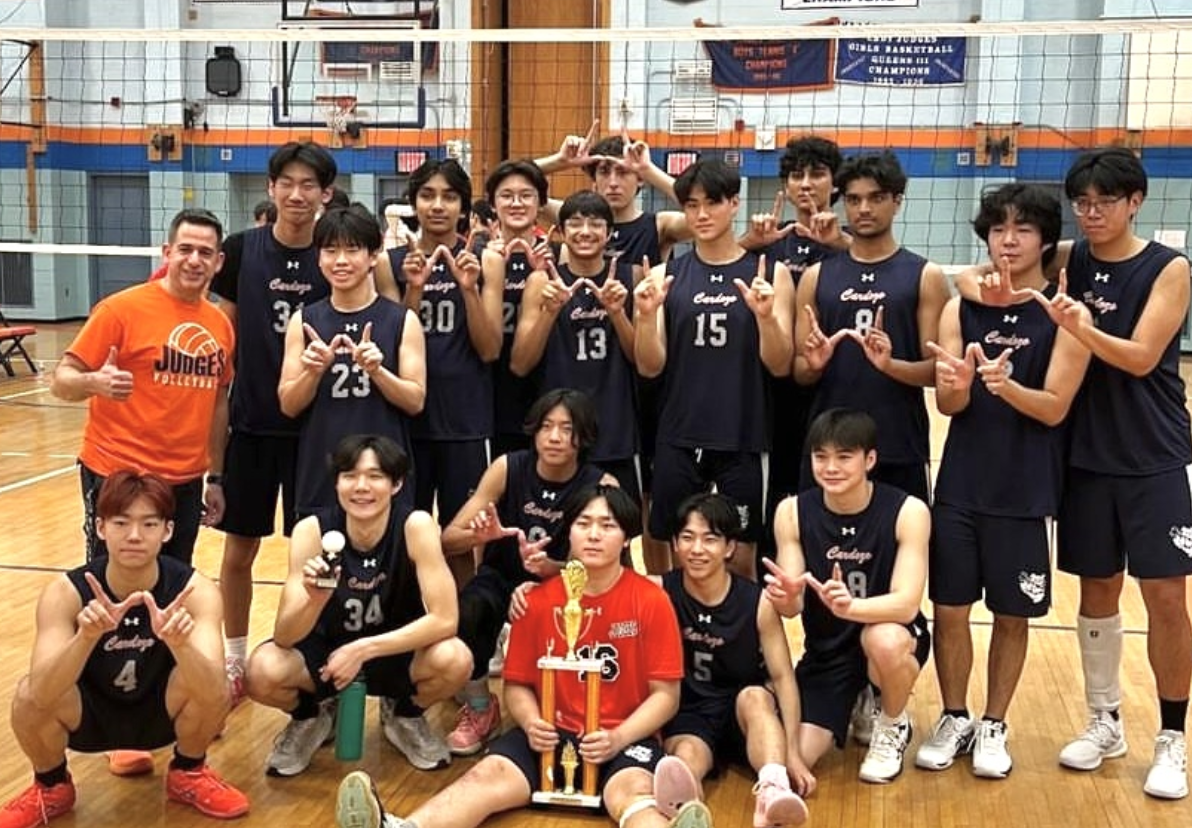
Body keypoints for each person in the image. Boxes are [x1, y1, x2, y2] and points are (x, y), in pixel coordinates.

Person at [334, 484, 715, 828]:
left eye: (608, 525)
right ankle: (401, 827)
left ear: (626, 537)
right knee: (484, 777)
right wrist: (532, 723)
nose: (594, 534)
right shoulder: (536, 600)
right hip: (547, 735)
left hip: (620, 736)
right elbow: (517, 683)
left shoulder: (651, 601)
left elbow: (666, 696)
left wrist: (617, 737)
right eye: (584, 523)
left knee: (634, 792)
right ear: (569, 531)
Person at [1019, 148, 1189, 799]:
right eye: (1083, 203)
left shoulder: (1170, 269)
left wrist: (1081, 329)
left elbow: (1143, 357)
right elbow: (1016, 259)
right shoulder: (1076, 258)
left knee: (1168, 598)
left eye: (1105, 203)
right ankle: (1104, 721)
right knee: (1097, 592)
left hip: (1153, 456)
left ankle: (1172, 738)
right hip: (1085, 456)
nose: (1092, 214)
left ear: (1135, 202)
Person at [915, 184, 1090, 779]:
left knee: (1012, 615)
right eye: (997, 229)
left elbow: (1055, 407)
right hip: (962, 482)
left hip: (1026, 487)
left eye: (1022, 229)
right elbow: (946, 403)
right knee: (950, 608)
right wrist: (960, 386)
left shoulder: (1065, 309)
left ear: (1046, 238)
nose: (1008, 240)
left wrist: (1003, 384)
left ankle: (995, 722)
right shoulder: (961, 306)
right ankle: (955, 714)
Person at [0, 471, 249, 828]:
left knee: (212, 678)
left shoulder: (195, 591)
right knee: (25, 695)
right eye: (121, 522)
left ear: (167, 531)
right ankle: (52, 786)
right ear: (100, 528)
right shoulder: (66, 593)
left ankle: (189, 772)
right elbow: (40, 694)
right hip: (90, 713)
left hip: (160, 711)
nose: (134, 535)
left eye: (149, 524)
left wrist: (180, 646)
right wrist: (84, 637)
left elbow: (214, 692)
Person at [245, 434, 471, 775]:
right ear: (336, 482)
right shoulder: (311, 530)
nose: (361, 486)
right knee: (262, 670)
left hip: (393, 653)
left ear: (396, 485)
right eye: (350, 475)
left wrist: (363, 649)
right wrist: (313, 599)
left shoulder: (416, 526)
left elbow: (445, 620)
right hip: (325, 658)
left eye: (375, 476)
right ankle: (312, 714)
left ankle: (404, 713)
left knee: (455, 659)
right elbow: (284, 637)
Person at [210, 141, 338, 701]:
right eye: (286, 182)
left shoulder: (337, 251)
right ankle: (236, 660)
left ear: (326, 195)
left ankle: (316, 658)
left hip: (319, 435)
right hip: (254, 428)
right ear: (270, 189)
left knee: (317, 556)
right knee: (239, 551)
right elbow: (220, 340)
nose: (297, 193)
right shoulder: (241, 251)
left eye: (309, 185)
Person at [538, 122, 694, 576]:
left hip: (644, 379)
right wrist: (561, 160)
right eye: (603, 172)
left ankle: (652, 587)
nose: (613, 181)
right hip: (590, 384)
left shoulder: (657, 225)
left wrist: (651, 168)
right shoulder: (576, 218)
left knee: (646, 503)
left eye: (623, 173)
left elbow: (703, 206)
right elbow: (516, 185)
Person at [634, 159, 795, 580]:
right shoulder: (666, 274)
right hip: (679, 434)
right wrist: (647, 316)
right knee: (676, 553)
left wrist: (766, 318)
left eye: (712, 204)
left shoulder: (770, 274)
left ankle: (738, 645)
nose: (701, 215)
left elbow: (780, 365)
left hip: (741, 435)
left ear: (735, 204)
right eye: (691, 205)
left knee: (740, 558)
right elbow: (650, 367)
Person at [50, 208, 233, 566]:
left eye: (205, 253)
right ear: (167, 253)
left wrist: (217, 478)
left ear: (219, 261)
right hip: (119, 472)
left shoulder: (220, 325)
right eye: (185, 249)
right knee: (109, 583)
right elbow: (61, 380)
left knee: (171, 582)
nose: (194, 260)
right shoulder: (120, 310)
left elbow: (218, 402)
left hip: (185, 479)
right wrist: (93, 382)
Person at [438, 388, 614, 755]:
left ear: (583, 437)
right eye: (546, 426)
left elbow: (610, 567)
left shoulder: (601, 484)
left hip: (566, 588)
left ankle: (575, 706)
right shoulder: (507, 467)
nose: (554, 437)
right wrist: (478, 534)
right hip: (502, 577)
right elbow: (448, 539)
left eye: (567, 429)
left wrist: (554, 571)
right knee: (471, 606)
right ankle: (481, 708)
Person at [766, 409, 931, 784]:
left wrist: (851, 607)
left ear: (869, 459)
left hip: (892, 633)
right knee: (799, 760)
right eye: (821, 457)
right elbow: (791, 607)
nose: (831, 468)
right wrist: (787, 596)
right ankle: (858, 696)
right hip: (829, 650)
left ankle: (892, 722)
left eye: (844, 457)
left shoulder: (908, 511)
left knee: (883, 640)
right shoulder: (791, 512)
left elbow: (906, 604)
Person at [793, 150, 950, 504]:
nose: (864, 208)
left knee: (902, 547)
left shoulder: (925, 276)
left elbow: (936, 369)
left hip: (898, 441)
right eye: (854, 199)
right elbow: (800, 371)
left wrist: (891, 365)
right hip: (829, 447)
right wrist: (814, 365)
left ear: (897, 202)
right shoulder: (817, 277)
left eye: (876, 198)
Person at [373, 159, 501, 586]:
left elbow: (490, 349)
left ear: (464, 207)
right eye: (427, 195)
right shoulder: (389, 264)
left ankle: (466, 642)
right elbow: (391, 348)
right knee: (406, 538)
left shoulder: (487, 260)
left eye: (449, 196)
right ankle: (408, 638)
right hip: (407, 422)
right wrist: (414, 289)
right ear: (413, 203)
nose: (438, 206)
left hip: (465, 421)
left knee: (460, 540)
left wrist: (468, 289)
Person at [658, 493, 813, 827]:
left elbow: (784, 677)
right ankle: (687, 808)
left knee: (756, 696)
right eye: (687, 537)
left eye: (710, 539)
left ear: (729, 547)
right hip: (689, 712)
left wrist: (794, 755)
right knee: (686, 756)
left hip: (742, 712)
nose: (697, 549)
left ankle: (772, 792)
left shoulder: (758, 602)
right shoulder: (660, 592)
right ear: (674, 544)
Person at [278, 204, 426, 519]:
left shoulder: (403, 320)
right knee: (317, 565)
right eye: (330, 251)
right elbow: (288, 404)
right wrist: (313, 373)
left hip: (384, 471)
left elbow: (415, 401)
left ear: (374, 256)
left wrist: (377, 372)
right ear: (318, 257)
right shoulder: (303, 320)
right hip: (322, 468)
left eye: (352, 250)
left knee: (390, 565)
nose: (341, 261)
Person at [742, 136, 847, 568]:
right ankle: (777, 573)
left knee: (829, 477)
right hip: (772, 386)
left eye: (817, 174)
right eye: (796, 175)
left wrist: (840, 244)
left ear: (834, 184)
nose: (806, 185)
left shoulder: (852, 240)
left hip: (833, 384)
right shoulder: (772, 241)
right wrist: (750, 241)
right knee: (778, 484)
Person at [511, 190, 640, 499]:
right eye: (575, 224)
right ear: (561, 233)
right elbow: (520, 364)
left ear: (609, 233)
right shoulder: (541, 282)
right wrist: (549, 313)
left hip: (615, 425)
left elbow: (644, 362)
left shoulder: (631, 277)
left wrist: (617, 313)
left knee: (615, 531)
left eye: (595, 224)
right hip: (558, 430)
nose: (585, 232)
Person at [481, 160, 554, 457]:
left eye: (526, 195)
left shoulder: (558, 258)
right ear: (492, 204)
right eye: (506, 195)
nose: (516, 203)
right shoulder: (476, 258)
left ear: (541, 203)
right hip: (487, 396)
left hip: (543, 395)